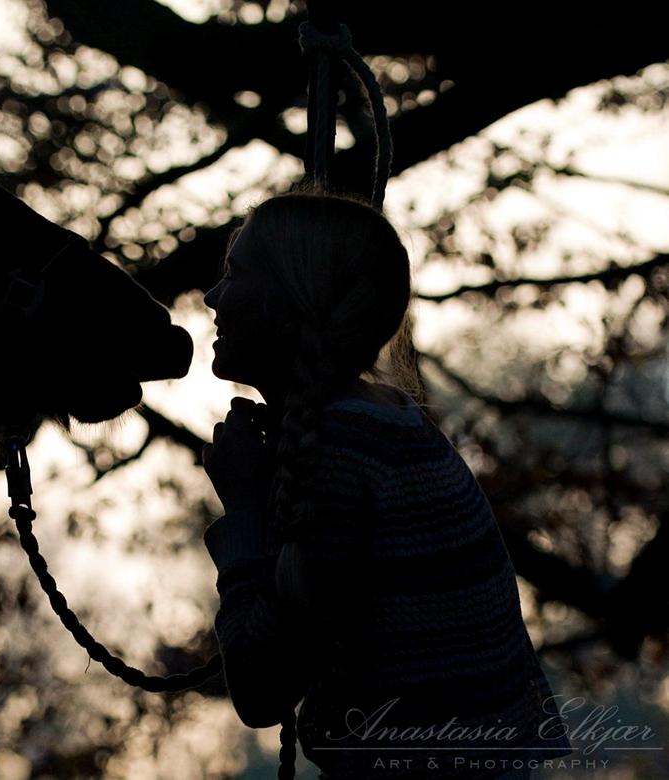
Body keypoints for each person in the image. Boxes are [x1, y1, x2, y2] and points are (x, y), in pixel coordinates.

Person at [199, 191, 574, 779]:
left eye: (235, 274)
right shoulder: (386, 424)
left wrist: (244, 511)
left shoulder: (338, 452)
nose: (212, 297)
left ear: (292, 302)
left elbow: (259, 690)